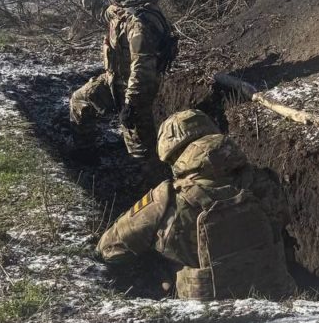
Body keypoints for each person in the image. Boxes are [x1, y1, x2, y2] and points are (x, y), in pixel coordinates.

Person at [97, 109, 295, 301]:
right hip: (275, 295)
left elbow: (110, 248)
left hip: (206, 309)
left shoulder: (167, 198)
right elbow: (281, 224)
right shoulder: (262, 180)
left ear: (172, 155)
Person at [67, 0, 176, 163]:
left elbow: (142, 70)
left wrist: (132, 105)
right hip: (114, 81)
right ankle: (85, 154)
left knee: (141, 154)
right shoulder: (124, 9)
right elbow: (101, 11)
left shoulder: (139, 22)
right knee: (79, 101)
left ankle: (156, 187)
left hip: (136, 91)